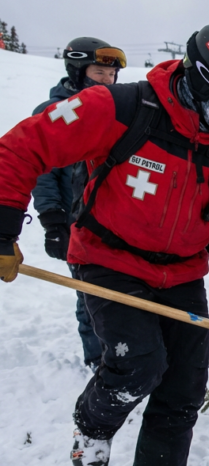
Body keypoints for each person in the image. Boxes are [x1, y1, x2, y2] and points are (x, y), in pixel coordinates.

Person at [0, 22, 209, 466]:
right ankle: (92, 425)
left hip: (183, 272)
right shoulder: (119, 108)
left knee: (184, 386)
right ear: (205, 80)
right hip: (107, 259)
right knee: (140, 364)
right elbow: (21, 149)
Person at [32, 37, 125, 372]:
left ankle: (132, 357)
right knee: (90, 297)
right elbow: (43, 174)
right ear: (76, 71)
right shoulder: (54, 114)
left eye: (111, 74)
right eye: (100, 72)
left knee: (125, 296)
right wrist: (53, 221)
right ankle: (99, 360)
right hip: (75, 225)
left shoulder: (118, 110)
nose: (107, 80)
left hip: (115, 225)